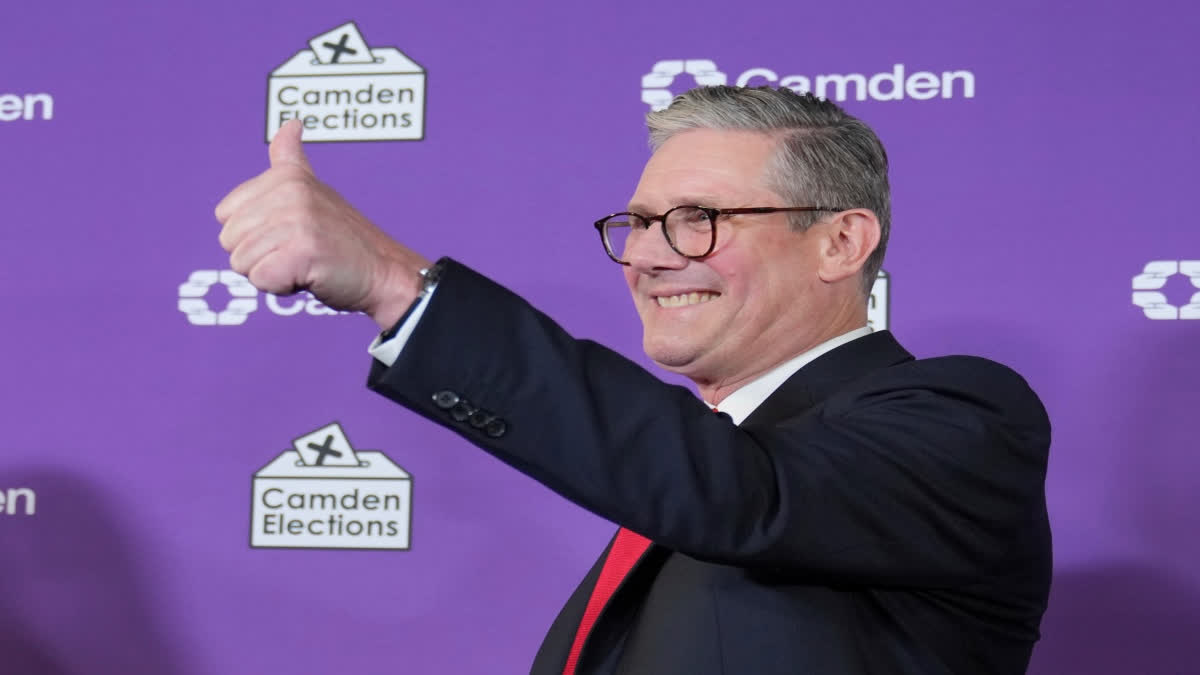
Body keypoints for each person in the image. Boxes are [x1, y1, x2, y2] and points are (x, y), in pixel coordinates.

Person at [216, 86, 1052, 674]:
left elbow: (742, 498)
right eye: (640, 224)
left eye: (699, 221)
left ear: (840, 242)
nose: (649, 255)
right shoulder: (693, 478)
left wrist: (400, 287)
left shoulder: (964, 416)